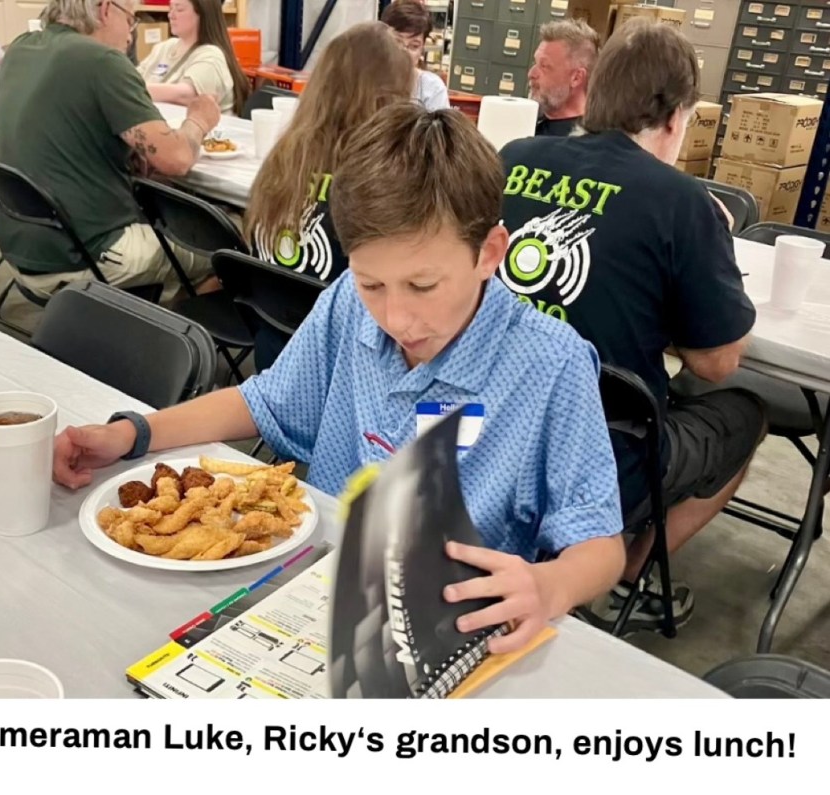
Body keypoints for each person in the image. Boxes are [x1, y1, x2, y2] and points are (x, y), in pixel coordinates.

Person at [54, 103, 626, 654]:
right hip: (316, 590)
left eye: (423, 286)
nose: (397, 318)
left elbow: (600, 544)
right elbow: (263, 402)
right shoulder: (346, 307)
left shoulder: (551, 364)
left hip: (448, 622)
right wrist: (131, 434)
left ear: (489, 253)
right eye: (372, 283)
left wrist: (549, 586)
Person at [498, 18, 764, 633]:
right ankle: (626, 570)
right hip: (601, 455)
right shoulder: (682, 201)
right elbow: (716, 361)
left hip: (495, 419)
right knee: (744, 413)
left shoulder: (515, 157)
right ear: (675, 116)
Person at [0, 0, 221, 302]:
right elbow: (177, 159)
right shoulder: (102, 61)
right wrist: (199, 120)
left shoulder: (20, 49)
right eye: (131, 20)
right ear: (104, 10)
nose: (130, 35)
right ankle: (175, 340)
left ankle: (147, 326)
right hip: (87, 253)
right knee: (228, 248)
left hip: (21, 246)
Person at [244, 21, 415, 370]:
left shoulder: (283, 158)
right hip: (342, 367)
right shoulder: (380, 179)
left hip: (274, 350)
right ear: (389, 99)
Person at [137, 0, 250, 114]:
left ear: (202, 14)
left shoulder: (211, 55)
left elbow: (185, 95)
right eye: (170, 9)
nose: (171, 15)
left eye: (179, 9)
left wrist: (132, 90)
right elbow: (134, 77)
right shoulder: (164, 48)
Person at [528, 19, 599, 136]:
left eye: (544, 66)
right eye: (534, 63)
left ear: (576, 78)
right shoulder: (527, 123)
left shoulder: (592, 143)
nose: (531, 73)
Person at [381, 0, 450, 112]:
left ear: (422, 49)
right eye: (397, 42)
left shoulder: (432, 88)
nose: (404, 52)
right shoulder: (368, 82)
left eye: (414, 46)